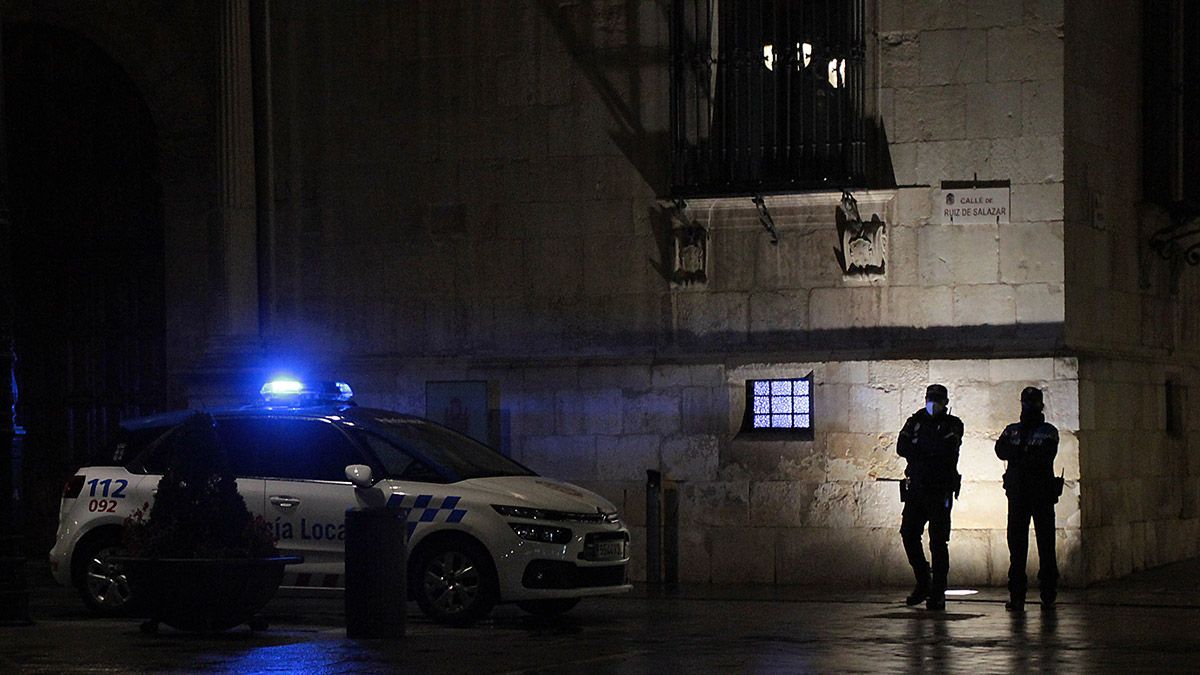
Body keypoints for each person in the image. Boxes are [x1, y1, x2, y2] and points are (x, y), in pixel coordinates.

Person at [896, 384, 963, 610]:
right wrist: (927, 449)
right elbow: (902, 446)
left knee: (938, 540)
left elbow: (946, 449)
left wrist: (921, 448)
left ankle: (938, 591)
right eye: (930, 398)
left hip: (939, 489)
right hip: (917, 489)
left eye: (937, 399)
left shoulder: (953, 424)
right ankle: (923, 580)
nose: (933, 402)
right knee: (908, 533)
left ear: (945, 401)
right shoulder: (915, 420)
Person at [995, 386, 1060, 611]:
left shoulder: (1048, 431)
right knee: (1017, 546)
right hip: (1019, 495)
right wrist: (1025, 453)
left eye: (1032, 403)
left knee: (1046, 545)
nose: (1029, 407)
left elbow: (1043, 456)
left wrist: (1020, 454)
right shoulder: (1012, 430)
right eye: (1026, 402)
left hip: (1041, 495)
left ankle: (1048, 592)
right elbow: (1000, 450)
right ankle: (1017, 595)